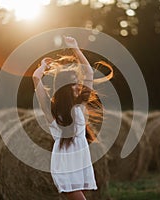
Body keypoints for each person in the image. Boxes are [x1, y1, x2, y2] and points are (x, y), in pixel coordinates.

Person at [33, 36, 109, 200]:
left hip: (80, 158)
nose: (78, 86)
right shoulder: (52, 113)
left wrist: (75, 48)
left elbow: (88, 72)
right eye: (74, 83)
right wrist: (43, 66)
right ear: (64, 87)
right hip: (65, 164)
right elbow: (35, 78)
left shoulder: (79, 106)